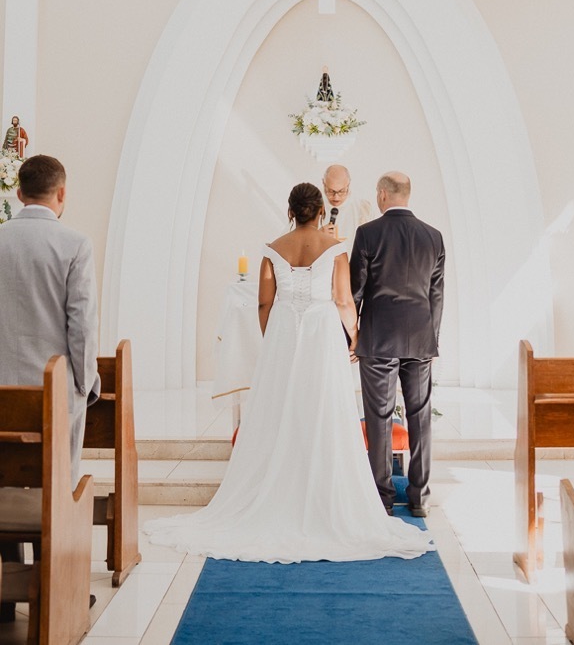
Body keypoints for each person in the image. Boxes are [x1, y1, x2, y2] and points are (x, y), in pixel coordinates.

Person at [145, 183, 434, 562]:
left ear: (290, 212)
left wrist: (276, 337)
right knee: (322, 411)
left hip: (283, 333)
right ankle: (322, 496)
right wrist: (354, 337)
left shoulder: (271, 250)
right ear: (318, 213)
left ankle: (278, 488)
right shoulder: (334, 250)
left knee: (280, 412)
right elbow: (344, 301)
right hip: (321, 334)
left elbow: (265, 303)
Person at [0, 155, 100, 485]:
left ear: (19, 193)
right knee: (57, 484)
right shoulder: (75, 245)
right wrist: (84, 385)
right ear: (61, 194)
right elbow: (82, 326)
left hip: (3, 393)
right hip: (53, 391)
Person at [350, 172, 445, 518]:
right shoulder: (433, 237)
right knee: (420, 416)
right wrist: (431, 340)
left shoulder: (368, 233)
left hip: (378, 339)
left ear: (382, 194)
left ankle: (383, 496)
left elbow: (355, 291)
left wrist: (350, 338)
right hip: (421, 338)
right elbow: (436, 296)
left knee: (379, 417)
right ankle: (419, 496)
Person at [321, 163, 372, 252]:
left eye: (341, 191)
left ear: (348, 184)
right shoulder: (311, 206)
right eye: (331, 191)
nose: (336, 197)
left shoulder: (362, 209)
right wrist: (316, 236)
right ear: (323, 183)